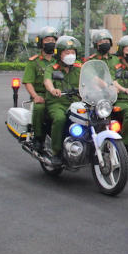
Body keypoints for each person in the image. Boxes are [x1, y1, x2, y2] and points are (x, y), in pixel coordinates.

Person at [43, 36, 83, 167]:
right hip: (57, 103)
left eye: (72, 52)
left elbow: (93, 80)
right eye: (66, 52)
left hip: (76, 102)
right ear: (59, 54)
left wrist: (106, 86)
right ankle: (56, 152)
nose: (70, 55)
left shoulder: (79, 67)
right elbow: (47, 81)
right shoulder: (52, 68)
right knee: (60, 119)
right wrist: (53, 89)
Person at [22, 26, 59, 152]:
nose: (51, 43)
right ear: (40, 42)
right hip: (41, 95)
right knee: (39, 108)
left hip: (58, 95)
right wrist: (35, 96)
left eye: (53, 40)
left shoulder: (59, 61)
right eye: (47, 40)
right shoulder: (33, 62)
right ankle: (38, 138)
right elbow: (28, 82)